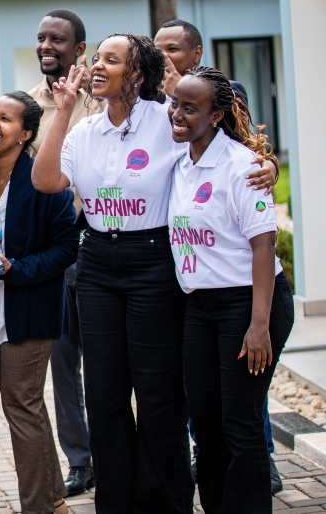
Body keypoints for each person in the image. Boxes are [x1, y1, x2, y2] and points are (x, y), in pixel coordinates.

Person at [31, 34, 276, 513]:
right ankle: (117, 503)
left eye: (110, 60)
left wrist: (265, 164)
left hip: (154, 261)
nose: (97, 66)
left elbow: (225, 148)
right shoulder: (83, 131)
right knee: (103, 393)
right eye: (96, 58)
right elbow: (46, 181)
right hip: (99, 261)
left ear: (137, 73)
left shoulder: (166, 120)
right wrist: (61, 111)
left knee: (158, 392)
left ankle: (166, 503)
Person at [169, 67, 293, 513]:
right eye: (175, 104)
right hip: (200, 306)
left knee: (240, 423)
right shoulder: (180, 162)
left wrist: (259, 326)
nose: (176, 115)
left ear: (217, 115)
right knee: (206, 423)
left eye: (190, 108)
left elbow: (264, 246)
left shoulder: (242, 167)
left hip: (250, 302)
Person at [0, 91, 78, 514]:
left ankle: (36, 507)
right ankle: (54, 501)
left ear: (26, 133)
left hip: (27, 312)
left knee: (21, 408)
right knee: (26, 408)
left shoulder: (43, 179)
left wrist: (19, 269)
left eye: (5, 119)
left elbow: (68, 246)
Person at [27, 10, 101, 497]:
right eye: (41, 38)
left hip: (93, 244)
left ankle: (117, 452)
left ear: (80, 49)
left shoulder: (99, 102)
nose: (46, 46)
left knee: (106, 363)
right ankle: (81, 460)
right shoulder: (32, 103)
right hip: (52, 253)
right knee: (61, 365)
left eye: (57, 39)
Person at [154, 19, 203, 97]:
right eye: (157, 50)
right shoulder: (148, 98)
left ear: (197, 54)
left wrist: (181, 92)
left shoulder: (223, 92)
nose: (162, 55)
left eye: (172, 49)